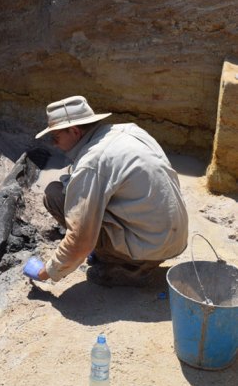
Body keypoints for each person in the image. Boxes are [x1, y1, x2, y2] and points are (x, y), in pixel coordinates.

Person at [23, 95, 188, 286]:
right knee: (75, 194)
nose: (53, 143)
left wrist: (46, 272)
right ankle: (122, 255)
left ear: (75, 131)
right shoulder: (130, 130)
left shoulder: (92, 162)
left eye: (56, 137)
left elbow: (79, 240)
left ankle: (127, 267)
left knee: (54, 195)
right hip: (175, 238)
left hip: (150, 249)